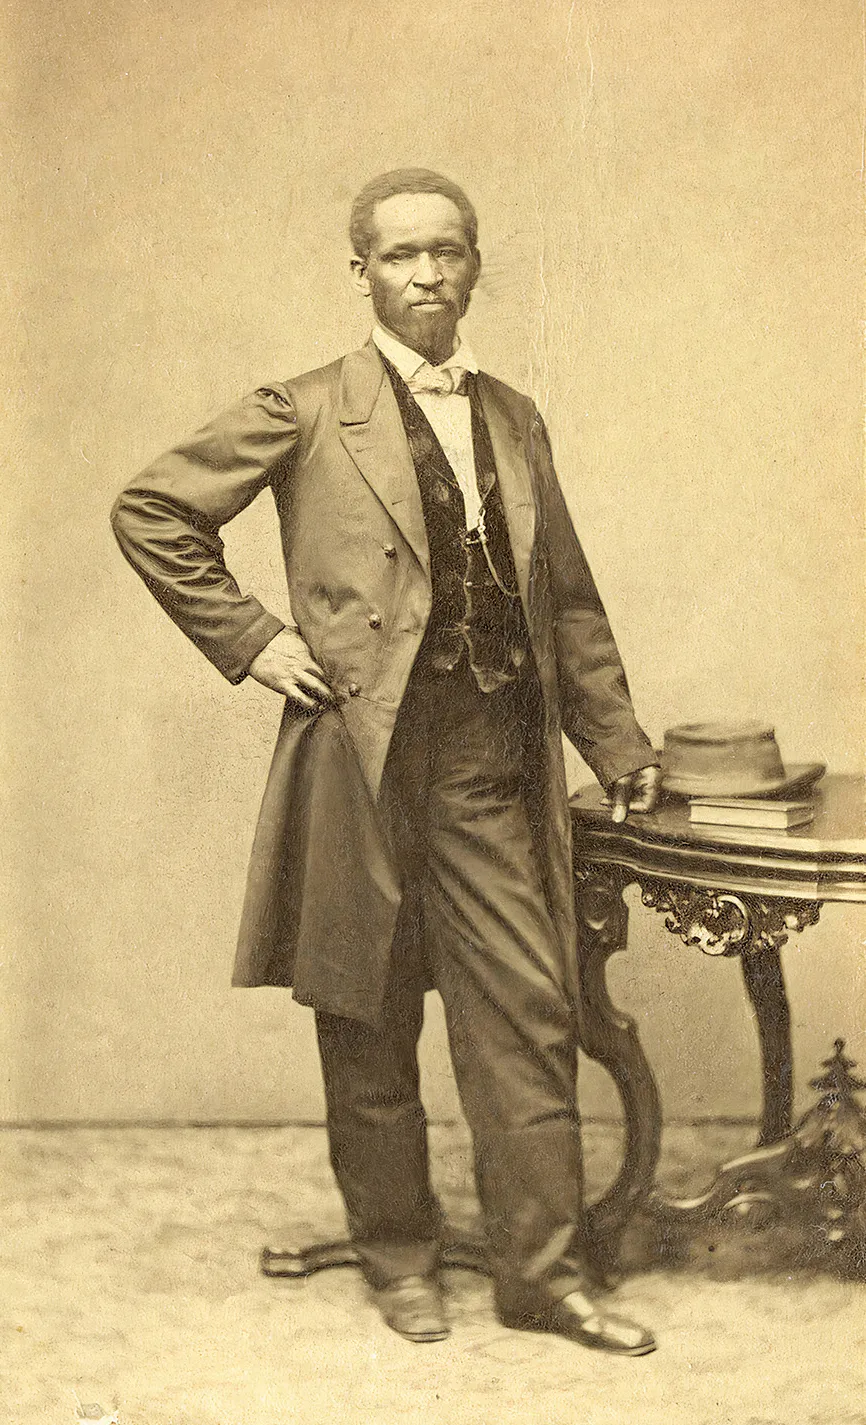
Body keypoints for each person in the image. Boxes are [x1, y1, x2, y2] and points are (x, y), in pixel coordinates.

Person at [112, 168, 662, 1355]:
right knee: (364, 1015)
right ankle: (396, 1258)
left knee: (522, 1008)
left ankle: (541, 1276)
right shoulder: (303, 406)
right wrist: (255, 642)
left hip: (485, 760)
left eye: (446, 252)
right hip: (354, 762)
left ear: (474, 267)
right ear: (357, 270)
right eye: (400, 254)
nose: (426, 274)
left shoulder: (513, 416)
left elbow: (563, 598)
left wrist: (616, 746)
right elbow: (153, 509)